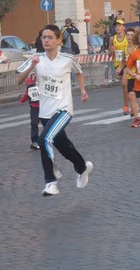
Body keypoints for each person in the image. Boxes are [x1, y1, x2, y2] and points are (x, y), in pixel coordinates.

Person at [16, 24, 93, 197]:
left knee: (45, 139)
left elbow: (79, 73)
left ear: (59, 40)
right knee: (64, 146)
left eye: (50, 37)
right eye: (44, 37)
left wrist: (82, 91)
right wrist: (31, 67)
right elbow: (19, 80)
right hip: (45, 112)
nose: (46, 40)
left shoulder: (67, 59)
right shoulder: (36, 58)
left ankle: (51, 182)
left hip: (64, 109)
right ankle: (82, 168)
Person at [108, 19, 130, 114]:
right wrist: (111, 51)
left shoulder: (128, 38)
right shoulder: (112, 39)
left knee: (126, 84)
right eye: (116, 26)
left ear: (124, 27)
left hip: (128, 64)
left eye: (120, 26)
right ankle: (127, 104)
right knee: (125, 85)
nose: (117, 27)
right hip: (118, 65)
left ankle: (128, 104)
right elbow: (109, 54)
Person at [123, 26, 140, 127]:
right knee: (131, 95)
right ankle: (137, 118)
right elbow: (123, 61)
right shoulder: (125, 49)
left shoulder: (138, 47)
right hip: (131, 76)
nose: (129, 37)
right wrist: (120, 68)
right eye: (128, 35)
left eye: (131, 35)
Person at [19, 71, 41, 150]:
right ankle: (34, 141)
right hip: (33, 106)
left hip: (43, 105)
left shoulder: (41, 78)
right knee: (34, 123)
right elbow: (27, 93)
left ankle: (50, 138)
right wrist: (22, 100)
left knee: (47, 123)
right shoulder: (28, 81)